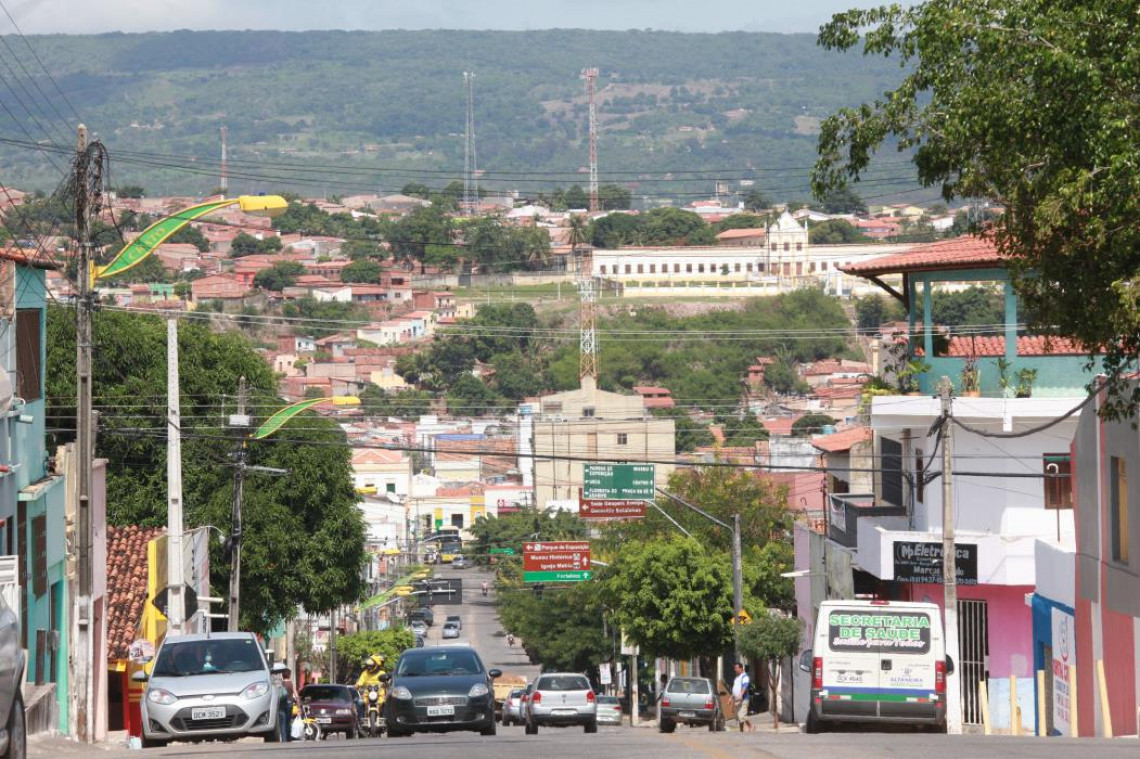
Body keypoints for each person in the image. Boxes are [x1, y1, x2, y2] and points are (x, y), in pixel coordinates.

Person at [731, 662, 754, 733]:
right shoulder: (737, 677)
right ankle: (741, 730)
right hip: (737, 698)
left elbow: (745, 686)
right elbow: (735, 688)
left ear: (741, 668)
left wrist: (741, 694)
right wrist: (731, 697)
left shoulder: (745, 676)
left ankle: (751, 726)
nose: (735, 669)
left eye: (737, 668)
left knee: (742, 715)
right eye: (735, 668)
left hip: (743, 698)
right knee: (738, 715)